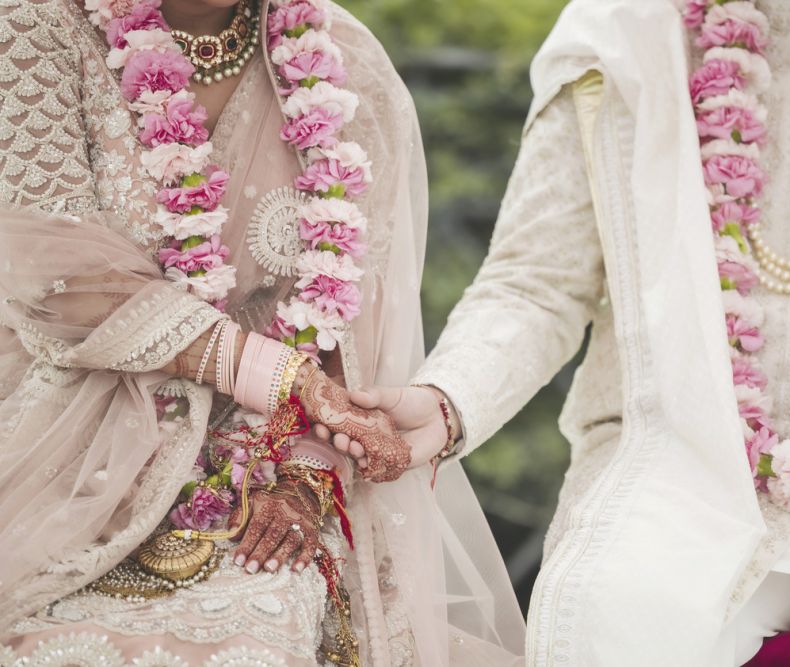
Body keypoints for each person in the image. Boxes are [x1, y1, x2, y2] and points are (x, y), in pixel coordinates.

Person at [344, 0, 790, 664]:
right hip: (677, 466)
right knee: (609, 630)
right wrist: (449, 396)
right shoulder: (626, 29)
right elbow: (536, 282)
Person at [0, 0, 524, 664]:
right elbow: (59, 282)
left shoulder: (346, 67)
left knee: (271, 620)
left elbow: (350, 336)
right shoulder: (34, 26)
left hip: (267, 463)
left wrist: (307, 478)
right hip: (56, 460)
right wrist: (285, 377)